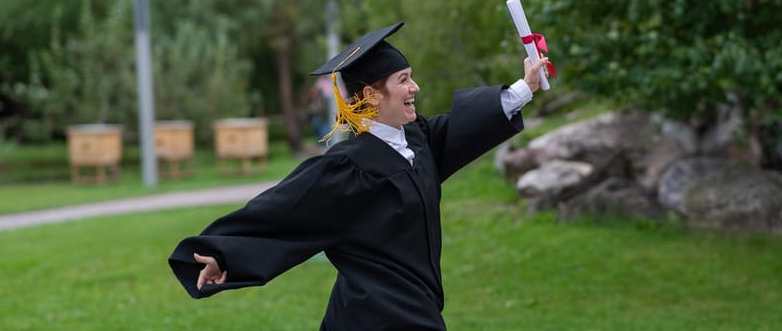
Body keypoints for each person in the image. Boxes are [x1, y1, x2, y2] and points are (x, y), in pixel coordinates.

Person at [168, 22, 550, 330]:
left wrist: (525, 87)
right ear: (371, 94)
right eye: (403, 80)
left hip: (413, 305)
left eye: (411, 77)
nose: (414, 87)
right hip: (376, 317)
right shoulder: (348, 168)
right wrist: (221, 255)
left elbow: (464, 127)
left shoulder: (417, 141)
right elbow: (282, 212)